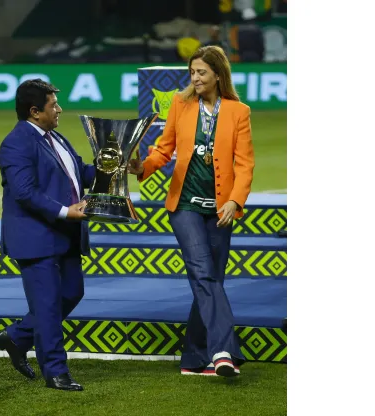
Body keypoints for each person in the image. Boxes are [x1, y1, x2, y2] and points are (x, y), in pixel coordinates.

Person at [129, 46, 255, 377]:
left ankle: (193, 359)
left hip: (221, 209)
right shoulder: (180, 105)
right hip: (183, 205)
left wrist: (234, 200)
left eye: (201, 72)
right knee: (203, 273)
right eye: (192, 73)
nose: (195, 78)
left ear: (218, 74)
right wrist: (142, 166)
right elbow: (163, 149)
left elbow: (244, 164)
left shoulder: (238, 112)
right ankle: (223, 351)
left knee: (212, 278)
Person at [0, 79, 95, 391]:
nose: (59, 110)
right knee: (49, 305)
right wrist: (66, 211)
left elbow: (80, 173)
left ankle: (18, 336)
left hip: (63, 233)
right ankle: (55, 372)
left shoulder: (56, 137)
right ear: (35, 112)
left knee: (71, 292)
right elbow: (24, 193)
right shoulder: (16, 143)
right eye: (54, 105)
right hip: (35, 235)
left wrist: (114, 167)